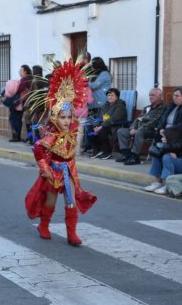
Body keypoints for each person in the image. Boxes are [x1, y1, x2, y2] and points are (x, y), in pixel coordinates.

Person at [25, 60, 97, 246]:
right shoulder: (52, 135)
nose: (66, 121)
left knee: (71, 201)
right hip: (54, 170)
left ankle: (71, 233)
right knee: (51, 200)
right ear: (55, 118)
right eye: (62, 118)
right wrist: (44, 169)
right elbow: (38, 149)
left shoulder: (72, 130)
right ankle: (44, 225)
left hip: (69, 171)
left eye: (69, 117)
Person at [116, 88, 166, 165]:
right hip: (140, 129)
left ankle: (135, 157)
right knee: (121, 131)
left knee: (140, 132)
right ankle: (127, 154)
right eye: (149, 95)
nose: (150, 97)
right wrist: (132, 128)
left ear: (160, 96)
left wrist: (138, 129)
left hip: (152, 130)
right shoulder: (147, 108)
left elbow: (155, 121)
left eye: (153, 95)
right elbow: (137, 119)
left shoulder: (163, 108)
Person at [144, 127, 182, 194]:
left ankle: (167, 186)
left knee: (167, 157)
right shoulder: (168, 144)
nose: (162, 139)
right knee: (157, 154)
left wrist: (171, 153)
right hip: (173, 163)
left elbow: (180, 154)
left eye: (164, 137)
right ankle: (157, 183)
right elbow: (158, 150)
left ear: (170, 137)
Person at [87, 88, 127, 160]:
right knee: (89, 128)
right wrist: (96, 125)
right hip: (104, 125)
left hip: (115, 126)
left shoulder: (120, 106)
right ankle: (97, 149)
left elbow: (113, 119)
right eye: (108, 95)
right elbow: (100, 117)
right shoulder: (106, 105)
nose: (110, 97)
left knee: (103, 130)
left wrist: (101, 127)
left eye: (112, 95)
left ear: (117, 97)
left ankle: (107, 152)